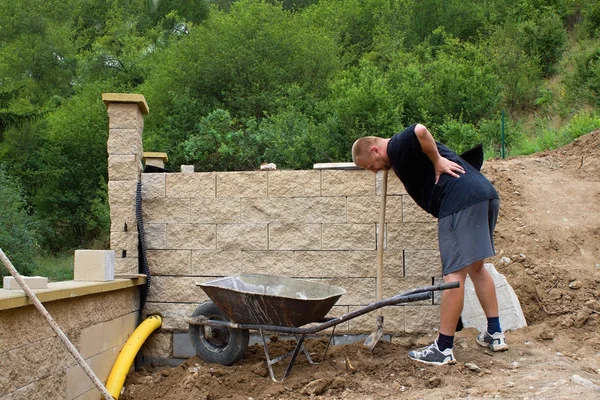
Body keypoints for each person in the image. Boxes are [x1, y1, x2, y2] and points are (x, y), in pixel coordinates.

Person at [352, 123, 508, 366]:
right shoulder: (402, 156)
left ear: (374, 150)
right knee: (477, 269)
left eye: (371, 167)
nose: (375, 171)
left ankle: (443, 348)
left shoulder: (395, 146)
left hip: (458, 204)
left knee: (453, 276)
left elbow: (420, 130)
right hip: (483, 194)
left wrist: (437, 161)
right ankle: (495, 333)